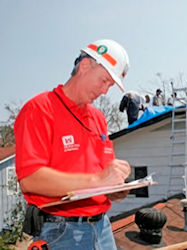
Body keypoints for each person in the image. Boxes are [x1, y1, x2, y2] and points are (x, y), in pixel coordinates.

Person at [14, 39, 131, 250]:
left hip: (102, 228)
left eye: (110, 86)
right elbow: (30, 180)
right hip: (61, 232)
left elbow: (102, 176)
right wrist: (98, 179)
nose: (105, 91)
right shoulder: (39, 109)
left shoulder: (98, 119)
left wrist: (115, 188)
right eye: (103, 80)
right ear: (85, 66)